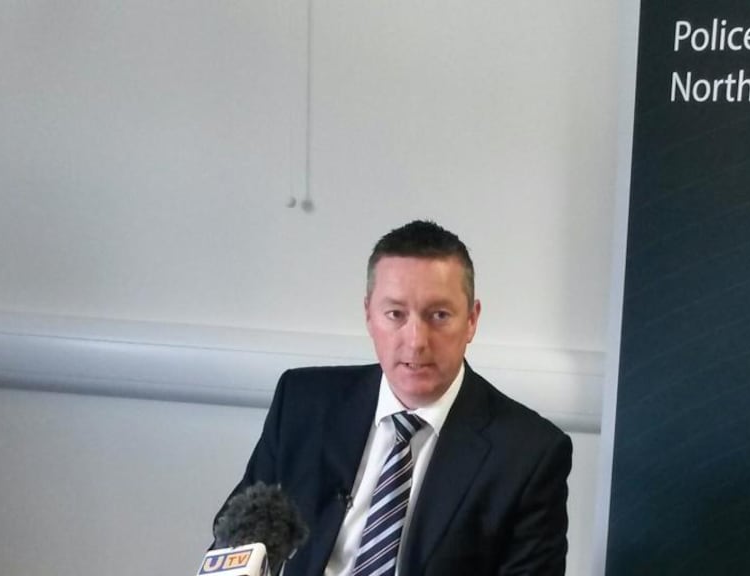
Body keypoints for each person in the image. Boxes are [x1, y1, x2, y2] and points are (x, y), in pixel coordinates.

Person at [217, 220, 572, 576]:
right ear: (369, 315)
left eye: (439, 315)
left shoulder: (528, 455)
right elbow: (237, 546)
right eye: (395, 315)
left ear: (471, 320)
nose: (416, 340)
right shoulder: (303, 404)